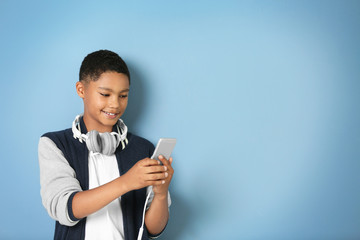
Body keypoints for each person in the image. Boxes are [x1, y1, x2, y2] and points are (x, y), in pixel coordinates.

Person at [38, 50, 174, 240]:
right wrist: (127, 181)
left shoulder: (144, 149)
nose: (115, 104)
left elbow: (153, 229)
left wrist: (160, 194)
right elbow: (66, 209)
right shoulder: (55, 144)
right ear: (81, 90)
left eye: (123, 96)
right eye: (105, 94)